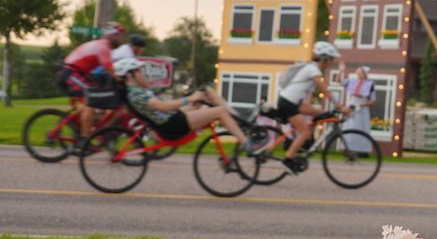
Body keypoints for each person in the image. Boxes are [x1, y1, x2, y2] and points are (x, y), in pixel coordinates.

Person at [114, 57, 264, 154]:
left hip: (173, 117)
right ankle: (247, 144)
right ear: (129, 75)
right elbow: (162, 106)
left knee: (206, 92)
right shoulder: (135, 93)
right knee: (218, 111)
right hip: (172, 126)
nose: (143, 73)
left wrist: (193, 98)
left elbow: (161, 105)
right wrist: (189, 99)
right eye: (139, 71)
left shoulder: (136, 90)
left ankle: (239, 120)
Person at [275, 41, 351, 174]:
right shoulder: (313, 69)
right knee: (305, 132)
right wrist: (339, 105)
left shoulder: (311, 68)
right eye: (331, 60)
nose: (331, 63)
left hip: (294, 102)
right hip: (288, 102)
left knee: (323, 113)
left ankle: (306, 145)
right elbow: (324, 89)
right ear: (324, 58)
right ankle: (288, 159)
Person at [58, 21, 125, 141]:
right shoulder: (103, 46)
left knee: (99, 97)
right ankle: (84, 138)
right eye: (119, 35)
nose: (121, 38)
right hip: (71, 72)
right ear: (112, 35)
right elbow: (109, 68)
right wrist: (121, 81)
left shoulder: (104, 46)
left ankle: (78, 121)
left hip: (78, 73)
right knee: (91, 101)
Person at [342, 66, 376, 155]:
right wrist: (341, 71)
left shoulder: (370, 84)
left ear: (364, 74)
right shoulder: (352, 82)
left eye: (360, 72)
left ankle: (362, 151)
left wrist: (361, 105)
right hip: (351, 108)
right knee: (349, 127)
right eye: (358, 72)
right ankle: (348, 148)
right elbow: (339, 81)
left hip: (362, 110)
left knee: (362, 129)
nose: (358, 74)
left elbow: (372, 100)